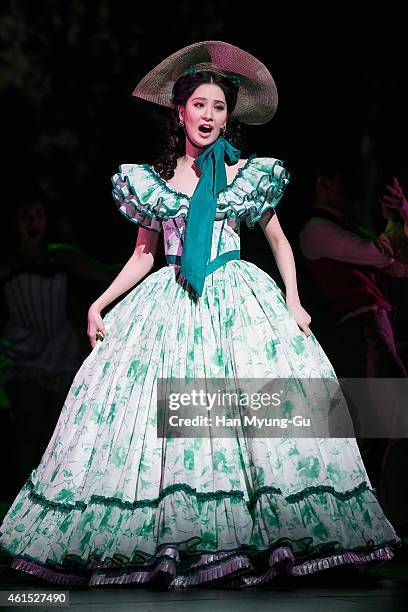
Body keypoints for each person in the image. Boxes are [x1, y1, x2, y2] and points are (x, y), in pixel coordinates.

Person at [0, 41, 401, 590]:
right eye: (200, 105)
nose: (209, 115)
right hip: (171, 301)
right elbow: (144, 253)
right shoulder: (155, 182)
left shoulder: (243, 175)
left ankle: (260, 532)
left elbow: (279, 240)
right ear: (180, 111)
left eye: (218, 106)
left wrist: (293, 298)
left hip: (235, 296)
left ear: (227, 116)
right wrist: (99, 303)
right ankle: (174, 534)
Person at [299, 166, 408, 536]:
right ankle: (372, 522)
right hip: (362, 332)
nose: (346, 191)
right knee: (381, 428)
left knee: (387, 428)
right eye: (341, 181)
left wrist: (401, 220)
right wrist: (395, 224)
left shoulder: (343, 228)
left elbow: (398, 267)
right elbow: (381, 253)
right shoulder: (316, 230)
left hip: (376, 329)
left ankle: (383, 520)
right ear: (323, 180)